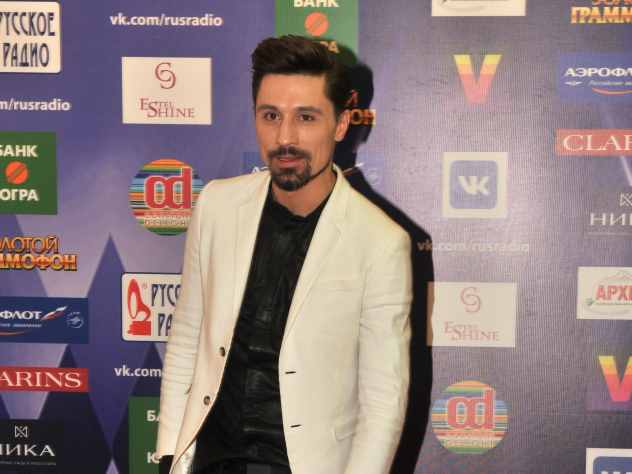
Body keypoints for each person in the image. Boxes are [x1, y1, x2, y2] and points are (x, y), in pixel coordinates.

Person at [156, 35, 412, 474]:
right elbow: (187, 337)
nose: (285, 138)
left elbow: (383, 404)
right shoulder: (217, 205)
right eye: (271, 115)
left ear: (341, 124)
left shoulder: (381, 242)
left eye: (306, 117)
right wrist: (167, 454)